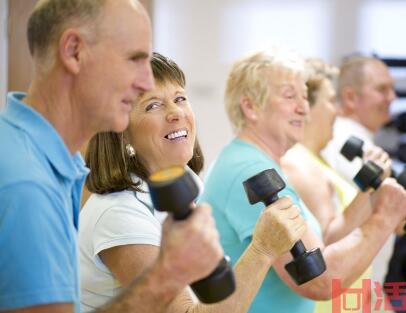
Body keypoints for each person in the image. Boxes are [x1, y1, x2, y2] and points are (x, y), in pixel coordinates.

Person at [1, 1, 225, 312]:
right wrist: (167, 275)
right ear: (74, 51)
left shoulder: (55, 165)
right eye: (133, 59)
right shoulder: (25, 182)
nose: (145, 82)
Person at [80, 52, 306, 313]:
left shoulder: (186, 184)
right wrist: (262, 250)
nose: (176, 112)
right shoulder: (119, 213)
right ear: (122, 134)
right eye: (153, 105)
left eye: (180, 99)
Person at [200, 48, 406, 313]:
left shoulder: (257, 164)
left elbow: (326, 248)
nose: (303, 108)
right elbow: (319, 280)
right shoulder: (250, 170)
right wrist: (384, 218)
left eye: (304, 96)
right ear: (250, 107)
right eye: (290, 96)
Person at [321, 55, 406, 310]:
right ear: (350, 97)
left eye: (392, 89)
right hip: (345, 294)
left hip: (360, 289)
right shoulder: (345, 141)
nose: (392, 97)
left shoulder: (360, 142)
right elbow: (399, 219)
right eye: (382, 89)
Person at [280, 58, 393, 313]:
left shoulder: (320, 162)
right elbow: (328, 245)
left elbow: (353, 240)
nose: (338, 111)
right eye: (331, 101)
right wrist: (371, 184)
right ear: (307, 108)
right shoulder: (300, 164)